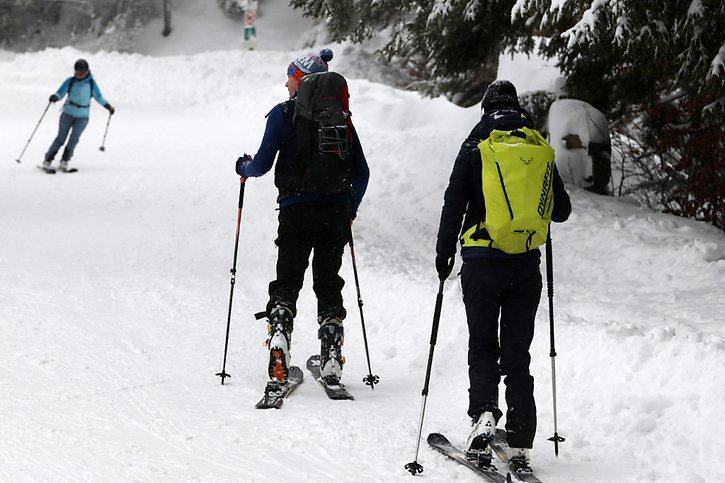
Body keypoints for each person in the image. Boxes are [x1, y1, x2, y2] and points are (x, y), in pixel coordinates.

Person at [435, 80, 571, 473]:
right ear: (517, 108)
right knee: (517, 354)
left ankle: (483, 419)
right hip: (525, 265)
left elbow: (453, 203)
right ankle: (522, 441)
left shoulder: (474, 147)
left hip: (480, 261)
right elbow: (560, 210)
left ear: (485, 110)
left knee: (482, 345)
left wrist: (444, 253)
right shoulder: (537, 148)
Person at [235, 49, 370, 386]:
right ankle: (331, 355)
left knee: (288, 278)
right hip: (335, 210)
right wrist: (349, 208)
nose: (285, 82)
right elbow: (362, 173)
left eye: (290, 76)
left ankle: (279, 335)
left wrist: (243, 168)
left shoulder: (283, 114)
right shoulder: (341, 119)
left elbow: (262, 164)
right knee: (328, 281)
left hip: (295, 209)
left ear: (300, 79)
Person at [43, 58, 114, 172]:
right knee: (61, 138)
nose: (80, 75)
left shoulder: (91, 83)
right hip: (67, 114)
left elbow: (98, 97)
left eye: (83, 72)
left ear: (87, 71)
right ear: (74, 71)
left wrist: (108, 106)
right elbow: (60, 92)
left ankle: (65, 160)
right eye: (78, 72)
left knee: (74, 139)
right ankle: (48, 159)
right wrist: (55, 97)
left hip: (82, 117)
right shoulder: (70, 81)